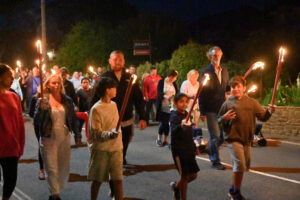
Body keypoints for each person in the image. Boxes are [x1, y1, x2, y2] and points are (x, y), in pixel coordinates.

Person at [218, 76, 275, 200]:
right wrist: (224, 118)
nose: (236, 89)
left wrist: (269, 112)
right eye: (233, 87)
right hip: (233, 138)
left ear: (244, 88)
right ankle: (236, 192)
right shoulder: (227, 103)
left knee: (242, 167)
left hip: (247, 139)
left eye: (238, 86)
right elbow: (218, 120)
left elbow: (263, 117)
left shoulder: (252, 102)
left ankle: (232, 189)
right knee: (240, 165)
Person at [35, 74, 79, 200]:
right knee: (51, 167)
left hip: (64, 137)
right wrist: (42, 110)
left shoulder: (67, 100)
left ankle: (55, 189)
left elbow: (73, 118)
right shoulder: (42, 100)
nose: (56, 85)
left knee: (62, 167)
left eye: (58, 83)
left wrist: (77, 136)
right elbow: (37, 121)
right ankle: (56, 195)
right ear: (47, 85)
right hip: (48, 137)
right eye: (53, 83)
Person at [101, 50, 147, 165]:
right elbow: (95, 97)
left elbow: (138, 99)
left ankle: (122, 156)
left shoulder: (131, 78)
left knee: (125, 139)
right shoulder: (104, 78)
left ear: (124, 61)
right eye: (115, 59)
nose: (118, 62)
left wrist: (142, 117)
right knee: (110, 141)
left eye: (120, 59)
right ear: (110, 61)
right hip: (109, 117)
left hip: (126, 116)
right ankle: (113, 159)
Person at [88, 77, 123, 200]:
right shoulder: (96, 109)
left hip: (117, 148)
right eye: (114, 87)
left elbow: (116, 125)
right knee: (98, 180)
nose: (116, 90)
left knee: (118, 180)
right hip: (102, 149)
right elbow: (96, 133)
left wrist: (116, 134)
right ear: (107, 90)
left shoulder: (114, 105)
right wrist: (109, 134)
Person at [198, 46, 229, 170]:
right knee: (215, 135)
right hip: (210, 108)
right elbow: (201, 92)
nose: (217, 57)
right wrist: (202, 111)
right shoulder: (205, 72)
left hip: (222, 108)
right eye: (214, 55)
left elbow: (227, 89)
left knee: (223, 136)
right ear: (210, 57)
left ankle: (210, 149)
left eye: (219, 55)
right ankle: (215, 160)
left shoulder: (225, 71)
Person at [0, 63, 25, 200]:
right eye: (9, 76)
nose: (12, 79)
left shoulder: (14, 96)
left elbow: (20, 122)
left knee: (10, 180)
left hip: (11, 146)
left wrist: (20, 144)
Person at [169, 93, 199, 200]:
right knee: (185, 176)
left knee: (194, 174)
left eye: (186, 101)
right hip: (179, 150)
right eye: (181, 102)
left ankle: (176, 186)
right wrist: (180, 126)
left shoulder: (187, 114)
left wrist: (195, 147)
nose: (184, 104)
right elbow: (173, 130)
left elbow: (190, 133)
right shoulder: (174, 115)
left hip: (189, 149)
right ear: (175, 103)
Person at [156, 69, 178, 147]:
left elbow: (177, 92)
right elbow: (159, 93)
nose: (174, 79)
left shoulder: (173, 83)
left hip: (171, 105)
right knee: (164, 122)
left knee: (168, 122)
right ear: (170, 76)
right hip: (163, 104)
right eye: (174, 78)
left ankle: (165, 139)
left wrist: (173, 97)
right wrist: (167, 96)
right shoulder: (162, 82)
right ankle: (159, 138)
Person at [60, 67, 81, 144]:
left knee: (74, 121)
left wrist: (76, 105)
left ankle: (77, 138)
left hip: (69, 105)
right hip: (60, 106)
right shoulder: (57, 83)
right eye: (62, 74)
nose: (63, 76)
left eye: (64, 74)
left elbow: (73, 95)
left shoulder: (69, 84)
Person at [29, 87, 45, 180]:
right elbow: (31, 113)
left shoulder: (52, 98)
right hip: (39, 125)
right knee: (41, 144)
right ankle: (42, 170)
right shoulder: (35, 99)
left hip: (51, 125)